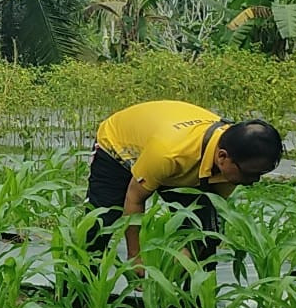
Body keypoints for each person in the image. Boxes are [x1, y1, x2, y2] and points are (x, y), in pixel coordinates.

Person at [86, 100, 283, 279]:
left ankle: (190, 307)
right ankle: (76, 295)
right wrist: (134, 256)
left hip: (174, 148)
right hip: (120, 146)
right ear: (222, 157)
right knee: (99, 225)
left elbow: (211, 209)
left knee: (203, 240)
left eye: (261, 174)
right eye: (250, 174)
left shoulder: (236, 155)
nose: (254, 180)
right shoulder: (169, 155)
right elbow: (134, 198)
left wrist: (192, 247)